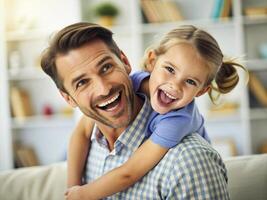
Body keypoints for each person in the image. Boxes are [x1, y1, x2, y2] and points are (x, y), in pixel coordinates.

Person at [41, 22, 232, 199]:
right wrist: (72, 188)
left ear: (124, 62)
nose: (104, 89)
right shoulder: (136, 83)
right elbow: (81, 132)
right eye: (82, 82)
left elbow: (129, 172)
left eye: (106, 67)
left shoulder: (185, 152)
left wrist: (83, 194)